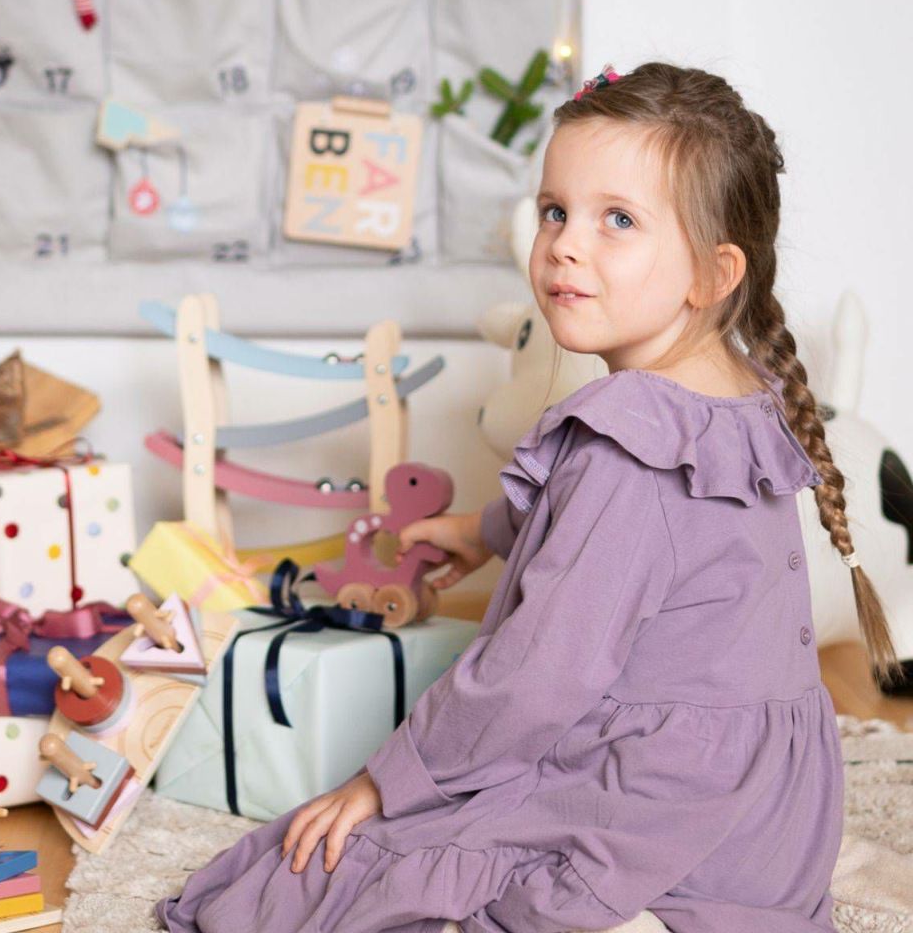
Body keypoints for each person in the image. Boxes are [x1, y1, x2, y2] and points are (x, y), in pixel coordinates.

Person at [156, 61, 899, 933]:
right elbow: (645, 548)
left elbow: (535, 678)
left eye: (618, 220)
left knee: (299, 877)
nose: (565, 246)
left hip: (659, 806)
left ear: (712, 272)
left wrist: (384, 781)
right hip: (770, 816)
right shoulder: (741, 394)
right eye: (555, 211)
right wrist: (484, 530)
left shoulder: (627, 443)